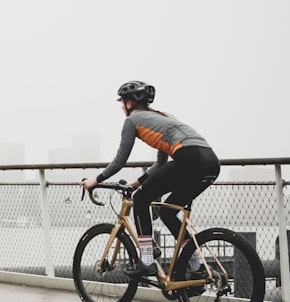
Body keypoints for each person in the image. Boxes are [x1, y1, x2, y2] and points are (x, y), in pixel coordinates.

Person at [80, 81, 220, 276]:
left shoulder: (132, 121)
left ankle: (147, 260)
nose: (122, 106)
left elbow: (120, 161)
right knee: (168, 213)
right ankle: (196, 264)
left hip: (189, 158)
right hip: (211, 162)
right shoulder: (164, 117)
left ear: (129, 103)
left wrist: (96, 179)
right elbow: (161, 164)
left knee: (140, 200)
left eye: (122, 102)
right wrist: (137, 183)